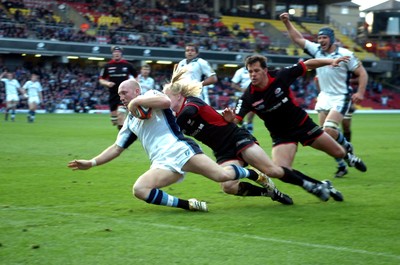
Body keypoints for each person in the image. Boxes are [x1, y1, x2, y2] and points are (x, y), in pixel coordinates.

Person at [68, 79, 273, 212]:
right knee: (140, 189)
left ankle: (256, 175)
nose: (121, 97)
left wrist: (136, 102)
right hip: (161, 163)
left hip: (180, 150)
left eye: (124, 93)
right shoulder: (130, 121)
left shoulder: (152, 96)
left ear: (137, 90)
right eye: (120, 94)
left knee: (222, 176)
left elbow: (166, 102)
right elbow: (116, 148)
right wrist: (91, 162)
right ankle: (190, 205)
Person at [164, 68, 344, 203]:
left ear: (179, 96)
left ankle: (314, 185)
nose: (164, 102)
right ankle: (269, 192)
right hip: (223, 151)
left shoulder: (191, 103)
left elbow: (187, 115)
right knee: (228, 186)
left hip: (236, 137)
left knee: (272, 170)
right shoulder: (175, 115)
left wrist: (171, 128)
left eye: (167, 97)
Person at [222, 55, 366, 199]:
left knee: (338, 152)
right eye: (250, 71)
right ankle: (318, 185)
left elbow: (308, 64)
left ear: (265, 70)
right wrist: (231, 119)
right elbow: (236, 120)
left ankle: (348, 156)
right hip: (281, 134)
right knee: (281, 170)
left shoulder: (281, 76)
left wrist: (331, 61)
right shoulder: (248, 97)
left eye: (256, 71)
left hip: (303, 125)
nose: (253, 75)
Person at [280, 12, 368, 178]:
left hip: (341, 96)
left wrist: (360, 92)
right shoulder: (317, 51)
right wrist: (287, 23)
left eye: (324, 38)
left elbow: (362, 73)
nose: (321, 41)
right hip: (324, 97)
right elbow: (298, 40)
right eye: (319, 38)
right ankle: (343, 163)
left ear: (332, 39)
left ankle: (347, 149)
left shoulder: (345, 54)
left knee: (328, 130)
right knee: (323, 137)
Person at [99, 46, 138, 130]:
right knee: (114, 120)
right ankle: (117, 122)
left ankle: (123, 136)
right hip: (113, 94)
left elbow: (136, 77)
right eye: (115, 52)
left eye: (118, 52)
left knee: (121, 113)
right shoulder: (107, 66)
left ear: (121, 54)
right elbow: (101, 79)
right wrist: (107, 83)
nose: (116, 54)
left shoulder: (128, 65)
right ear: (112, 54)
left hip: (124, 94)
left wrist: (134, 86)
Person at [231, 60, 256, 134]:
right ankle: (244, 125)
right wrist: (242, 89)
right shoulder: (240, 71)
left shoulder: (256, 71)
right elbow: (233, 84)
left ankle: (250, 135)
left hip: (253, 96)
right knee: (237, 116)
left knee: (250, 117)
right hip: (241, 96)